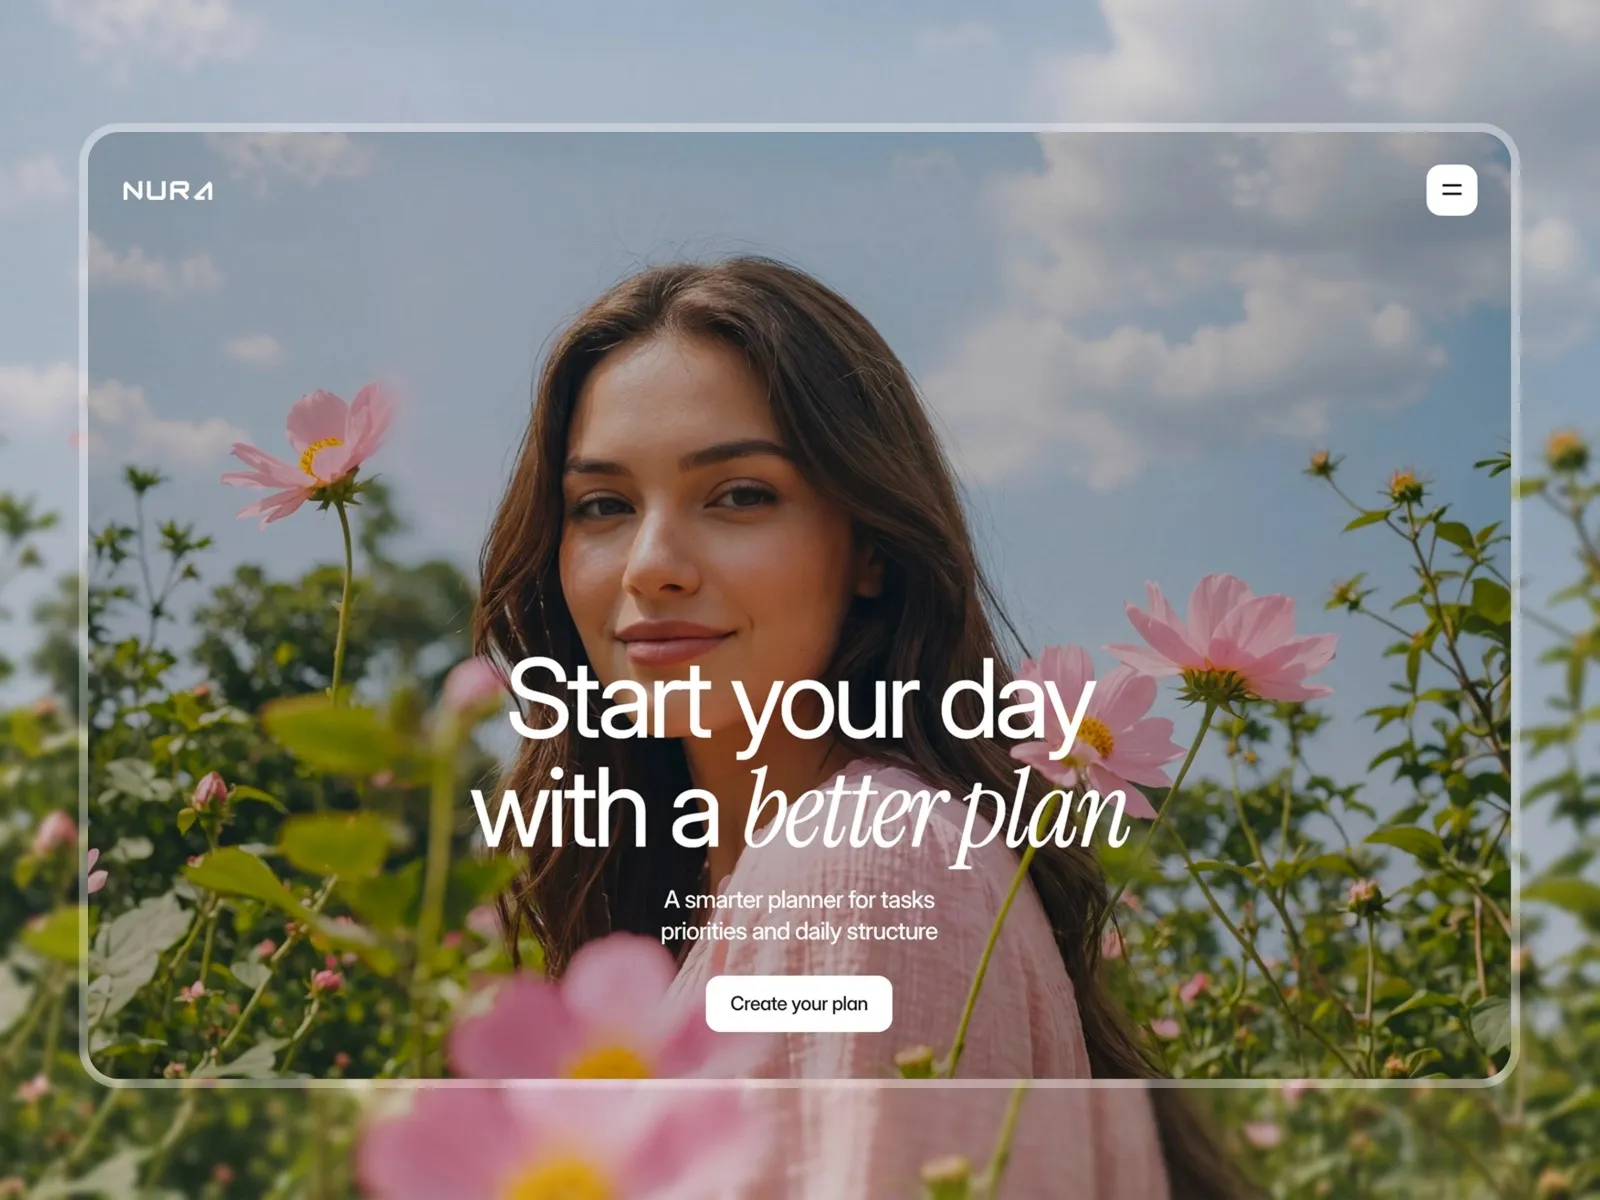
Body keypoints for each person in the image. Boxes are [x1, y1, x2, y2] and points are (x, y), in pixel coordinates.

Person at [474, 256, 1249, 1197]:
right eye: (601, 506)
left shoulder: (853, 868)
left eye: (740, 495)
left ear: (873, 549)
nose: (651, 566)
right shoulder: (742, 879)